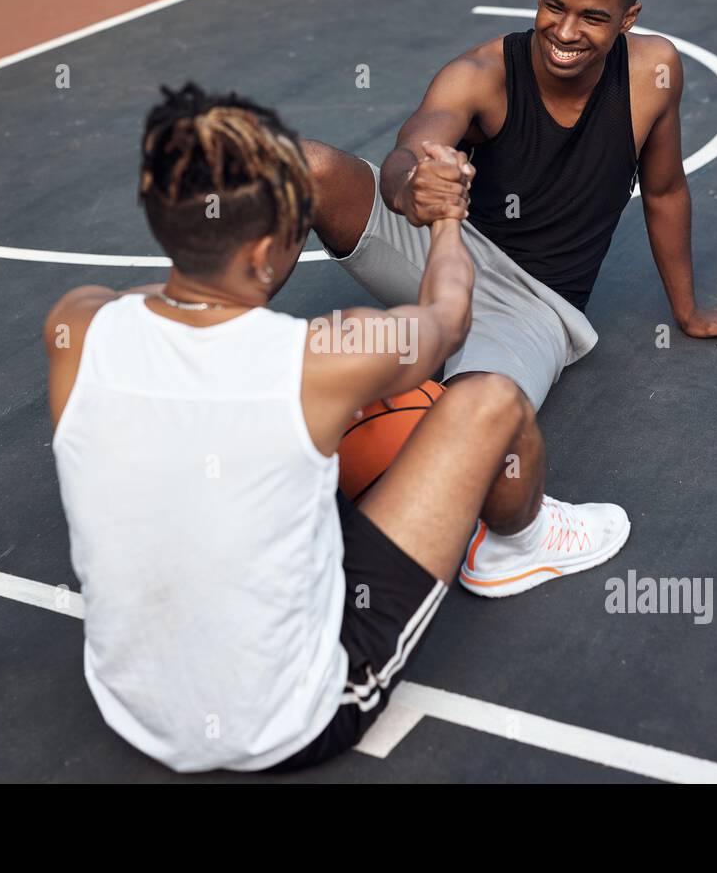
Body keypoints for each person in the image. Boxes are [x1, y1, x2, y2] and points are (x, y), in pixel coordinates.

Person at [43, 84, 629, 773]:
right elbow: (448, 317)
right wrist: (444, 220)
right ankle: (519, 544)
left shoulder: (78, 323)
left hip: (129, 702)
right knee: (492, 400)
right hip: (290, 718)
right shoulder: (324, 357)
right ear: (268, 251)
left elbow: (171, 315)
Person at [304, 0, 717, 592]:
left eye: (592, 16)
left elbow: (666, 189)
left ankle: (509, 545)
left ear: (629, 17)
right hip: (448, 248)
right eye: (554, 6)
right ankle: (201, 351)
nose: (564, 31)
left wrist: (689, 309)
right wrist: (415, 180)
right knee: (310, 167)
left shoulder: (655, 73)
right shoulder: (481, 74)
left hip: (536, 309)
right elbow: (410, 149)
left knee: (478, 420)